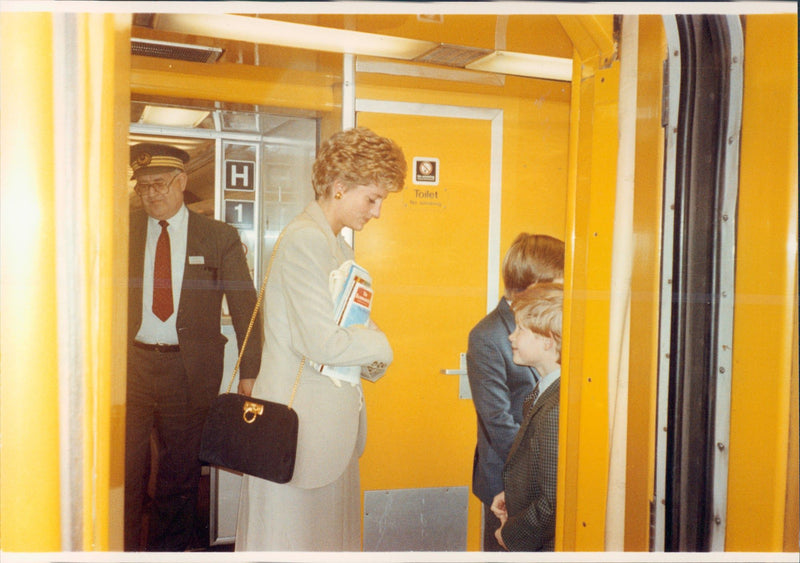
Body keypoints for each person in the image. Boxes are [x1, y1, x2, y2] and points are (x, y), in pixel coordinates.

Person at [235, 126, 406, 551]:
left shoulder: (336, 247)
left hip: (325, 432)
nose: (378, 211)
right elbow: (322, 342)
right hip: (301, 431)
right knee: (292, 543)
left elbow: (349, 331)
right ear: (339, 187)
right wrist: (381, 347)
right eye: (372, 198)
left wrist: (366, 346)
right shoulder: (306, 241)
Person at [125, 142, 262, 551]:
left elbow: (246, 306)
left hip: (188, 373)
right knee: (126, 472)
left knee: (179, 475)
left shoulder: (218, 236)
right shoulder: (123, 229)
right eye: (143, 186)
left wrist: (250, 371)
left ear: (182, 182)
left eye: (159, 184)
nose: (151, 194)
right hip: (131, 367)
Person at [466, 233, 564, 551]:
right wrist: (533, 483)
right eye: (558, 281)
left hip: (543, 480)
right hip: (508, 482)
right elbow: (498, 422)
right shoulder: (488, 335)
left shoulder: (557, 321)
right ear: (534, 283)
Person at [491, 282, 563, 551]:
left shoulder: (556, 408)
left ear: (547, 340)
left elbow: (554, 502)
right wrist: (514, 496)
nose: (511, 336)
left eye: (520, 329)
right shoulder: (546, 389)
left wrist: (511, 535)